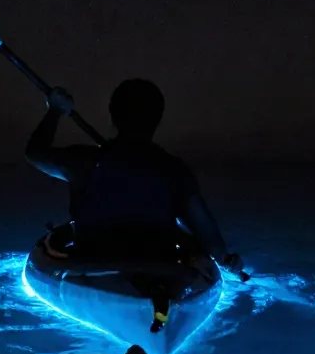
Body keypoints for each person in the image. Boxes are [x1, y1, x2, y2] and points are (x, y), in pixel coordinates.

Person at [25, 78, 243, 274]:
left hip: (91, 262)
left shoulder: (84, 161)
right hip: (158, 268)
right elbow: (207, 234)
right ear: (158, 118)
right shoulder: (175, 170)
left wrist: (54, 111)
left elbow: (35, 153)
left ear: (113, 116)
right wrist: (225, 259)